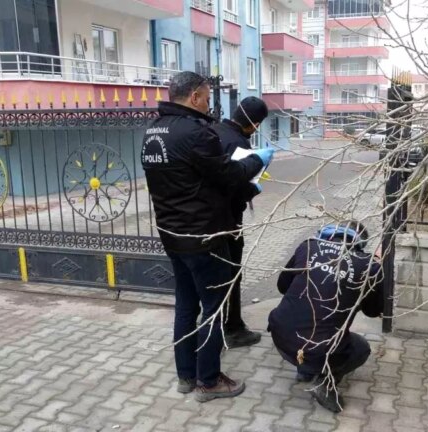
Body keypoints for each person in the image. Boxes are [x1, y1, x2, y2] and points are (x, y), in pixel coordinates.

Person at [141, 71, 275, 402]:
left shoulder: (153, 132)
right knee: (213, 309)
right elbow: (229, 174)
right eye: (206, 96)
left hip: (172, 235)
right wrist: (257, 161)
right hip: (204, 237)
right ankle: (209, 380)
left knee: (186, 305)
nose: (209, 103)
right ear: (195, 97)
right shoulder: (196, 133)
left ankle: (186, 375)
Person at [267, 220, 383, 413]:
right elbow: (373, 311)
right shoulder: (368, 265)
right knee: (361, 349)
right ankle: (324, 382)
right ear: (361, 243)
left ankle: (306, 370)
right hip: (319, 347)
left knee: (307, 323)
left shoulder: (308, 246)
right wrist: (377, 268)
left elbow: (282, 286)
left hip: (280, 335)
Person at [211, 97, 270, 349]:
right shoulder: (237, 142)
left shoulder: (213, 131)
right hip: (228, 219)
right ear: (254, 124)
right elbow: (233, 185)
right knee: (232, 274)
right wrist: (253, 189)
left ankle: (219, 324)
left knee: (217, 276)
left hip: (207, 220)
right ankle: (232, 328)